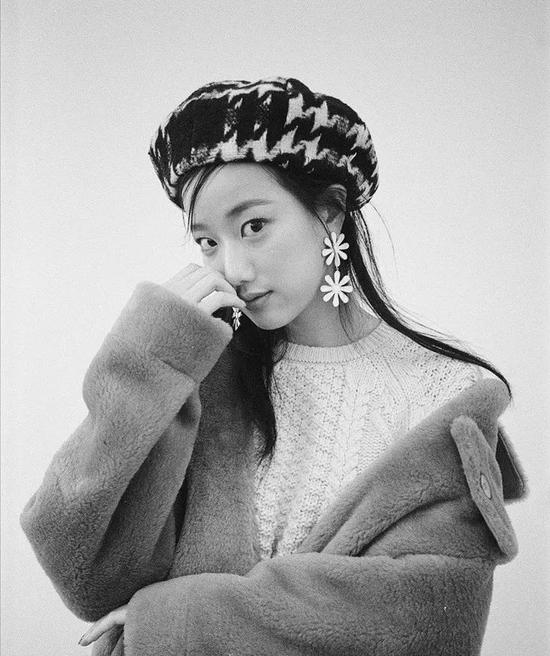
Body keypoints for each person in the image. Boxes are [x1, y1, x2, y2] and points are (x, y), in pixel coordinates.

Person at [20, 76, 527, 655]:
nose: (233, 269)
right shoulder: (196, 377)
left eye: (254, 226)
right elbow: (81, 569)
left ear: (330, 212)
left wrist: (181, 620)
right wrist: (150, 356)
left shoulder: (442, 395)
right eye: (208, 242)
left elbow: (428, 624)